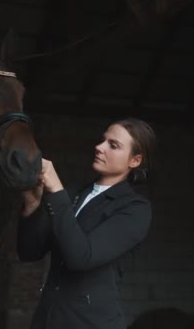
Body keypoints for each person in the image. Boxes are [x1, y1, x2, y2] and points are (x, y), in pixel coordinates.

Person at [18, 117, 156, 329]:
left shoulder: (135, 209)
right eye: (103, 140)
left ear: (135, 161)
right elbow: (29, 252)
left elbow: (81, 258)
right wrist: (32, 205)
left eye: (113, 145)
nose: (99, 147)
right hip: (47, 320)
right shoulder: (74, 195)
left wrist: (55, 188)